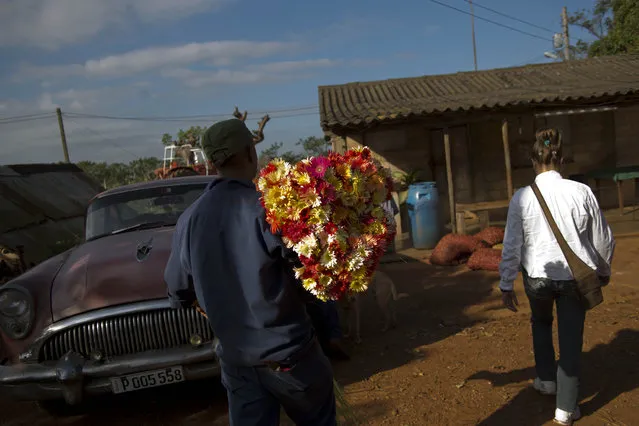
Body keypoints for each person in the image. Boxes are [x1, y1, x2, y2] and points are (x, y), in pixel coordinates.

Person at [164, 118, 336, 426]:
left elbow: (177, 290)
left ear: (211, 162)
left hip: (238, 364)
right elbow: (311, 279)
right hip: (291, 358)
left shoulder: (189, 220)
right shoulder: (271, 210)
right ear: (249, 153)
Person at [499, 128, 615, 425]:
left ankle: (547, 380)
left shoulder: (521, 197)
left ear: (533, 160)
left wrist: (505, 282)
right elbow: (604, 240)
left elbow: (512, 244)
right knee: (570, 337)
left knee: (540, 321)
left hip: (537, 278)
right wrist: (602, 272)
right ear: (560, 159)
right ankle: (565, 409)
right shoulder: (582, 192)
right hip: (575, 279)